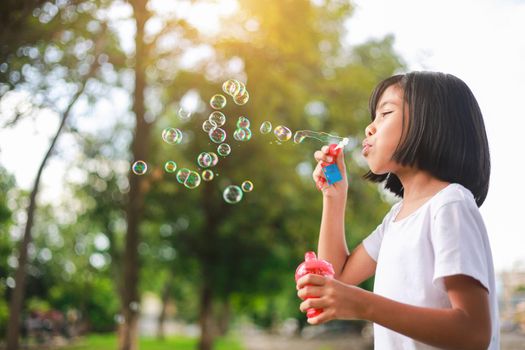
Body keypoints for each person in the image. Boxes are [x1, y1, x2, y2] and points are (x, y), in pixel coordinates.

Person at [296, 71, 499, 349]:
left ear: (429, 123)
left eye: (385, 113)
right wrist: (334, 196)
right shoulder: (395, 220)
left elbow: (473, 333)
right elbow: (336, 276)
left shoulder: (449, 205)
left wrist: (363, 305)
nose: (370, 127)